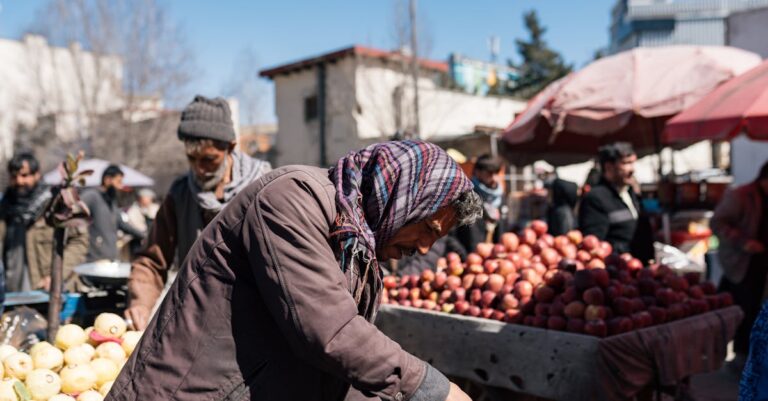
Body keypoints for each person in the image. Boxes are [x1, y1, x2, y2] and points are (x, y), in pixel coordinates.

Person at [105, 140, 481, 401]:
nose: (425, 248)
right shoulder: (291, 199)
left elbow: (333, 370)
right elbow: (331, 333)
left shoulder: (359, 245)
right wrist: (431, 388)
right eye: (429, 229)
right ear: (403, 197)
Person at [124, 95, 271, 330]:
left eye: (209, 159)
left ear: (230, 148)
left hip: (254, 324)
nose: (199, 169)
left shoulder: (265, 188)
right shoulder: (180, 194)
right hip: (196, 321)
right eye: (191, 159)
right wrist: (141, 303)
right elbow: (152, 260)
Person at [0, 153, 88, 294]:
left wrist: (56, 275)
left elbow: (79, 242)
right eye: (14, 176)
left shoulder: (57, 203)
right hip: (12, 290)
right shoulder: (5, 207)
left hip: (46, 290)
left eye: (24, 175)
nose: (19, 181)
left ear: (37, 175)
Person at [712, 161, 768, 369]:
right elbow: (718, 223)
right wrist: (743, 241)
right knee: (744, 309)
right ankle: (740, 356)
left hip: (763, 262)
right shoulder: (740, 195)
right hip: (742, 263)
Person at [578, 142, 653, 261]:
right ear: (609, 167)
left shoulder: (630, 192)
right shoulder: (596, 198)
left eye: (633, 163)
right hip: (618, 270)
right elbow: (594, 245)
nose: (632, 169)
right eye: (626, 163)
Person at [80, 165, 145, 262]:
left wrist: (145, 235)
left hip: (111, 258)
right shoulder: (92, 196)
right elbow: (76, 211)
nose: (121, 186)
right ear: (107, 180)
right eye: (118, 182)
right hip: (94, 259)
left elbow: (122, 224)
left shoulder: (111, 202)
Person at [457, 154, 503, 252]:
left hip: (496, 258)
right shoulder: (464, 197)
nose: (494, 178)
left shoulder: (500, 198)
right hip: (470, 259)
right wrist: (464, 257)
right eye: (490, 173)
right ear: (477, 172)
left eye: (497, 173)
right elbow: (451, 234)